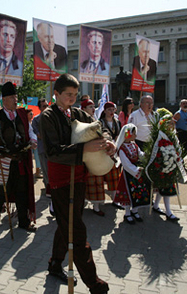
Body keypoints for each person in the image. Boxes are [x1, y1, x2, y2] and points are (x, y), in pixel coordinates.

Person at [40, 73, 112, 293]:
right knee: (76, 231)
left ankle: (54, 264)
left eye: (74, 94)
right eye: (67, 94)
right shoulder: (48, 116)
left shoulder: (79, 113)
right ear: (56, 94)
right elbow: (52, 152)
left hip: (80, 177)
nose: (72, 98)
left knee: (67, 224)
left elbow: (100, 126)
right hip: (61, 180)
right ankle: (94, 284)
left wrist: (108, 141)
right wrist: (84, 149)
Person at [0, 82, 38, 232]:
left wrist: (33, 140)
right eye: (12, 97)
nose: (15, 99)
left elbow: (30, 131)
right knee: (2, 191)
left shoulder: (22, 115)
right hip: (4, 159)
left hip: (20, 159)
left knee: (21, 191)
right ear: (4, 100)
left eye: (16, 96)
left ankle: (24, 222)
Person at [85, 102, 121, 216]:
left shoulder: (116, 122)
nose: (111, 111)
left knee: (114, 176)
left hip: (111, 152)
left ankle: (115, 199)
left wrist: (112, 142)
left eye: (113, 109)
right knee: (96, 178)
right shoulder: (95, 122)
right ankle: (96, 205)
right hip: (95, 154)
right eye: (90, 107)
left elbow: (107, 133)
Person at [113, 124, 151, 224]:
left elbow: (140, 154)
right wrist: (137, 170)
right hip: (128, 174)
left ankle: (135, 211)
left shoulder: (134, 144)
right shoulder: (122, 149)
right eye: (134, 133)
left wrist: (146, 155)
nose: (135, 135)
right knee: (128, 193)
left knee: (136, 192)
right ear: (127, 134)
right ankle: (127, 213)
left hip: (136, 173)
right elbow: (126, 164)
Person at [32, 98, 51, 198]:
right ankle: (48, 188)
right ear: (39, 108)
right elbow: (37, 134)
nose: (46, 108)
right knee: (45, 170)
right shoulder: (36, 120)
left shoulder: (52, 118)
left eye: (47, 106)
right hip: (43, 149)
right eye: (44, 106)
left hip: (53, 149)